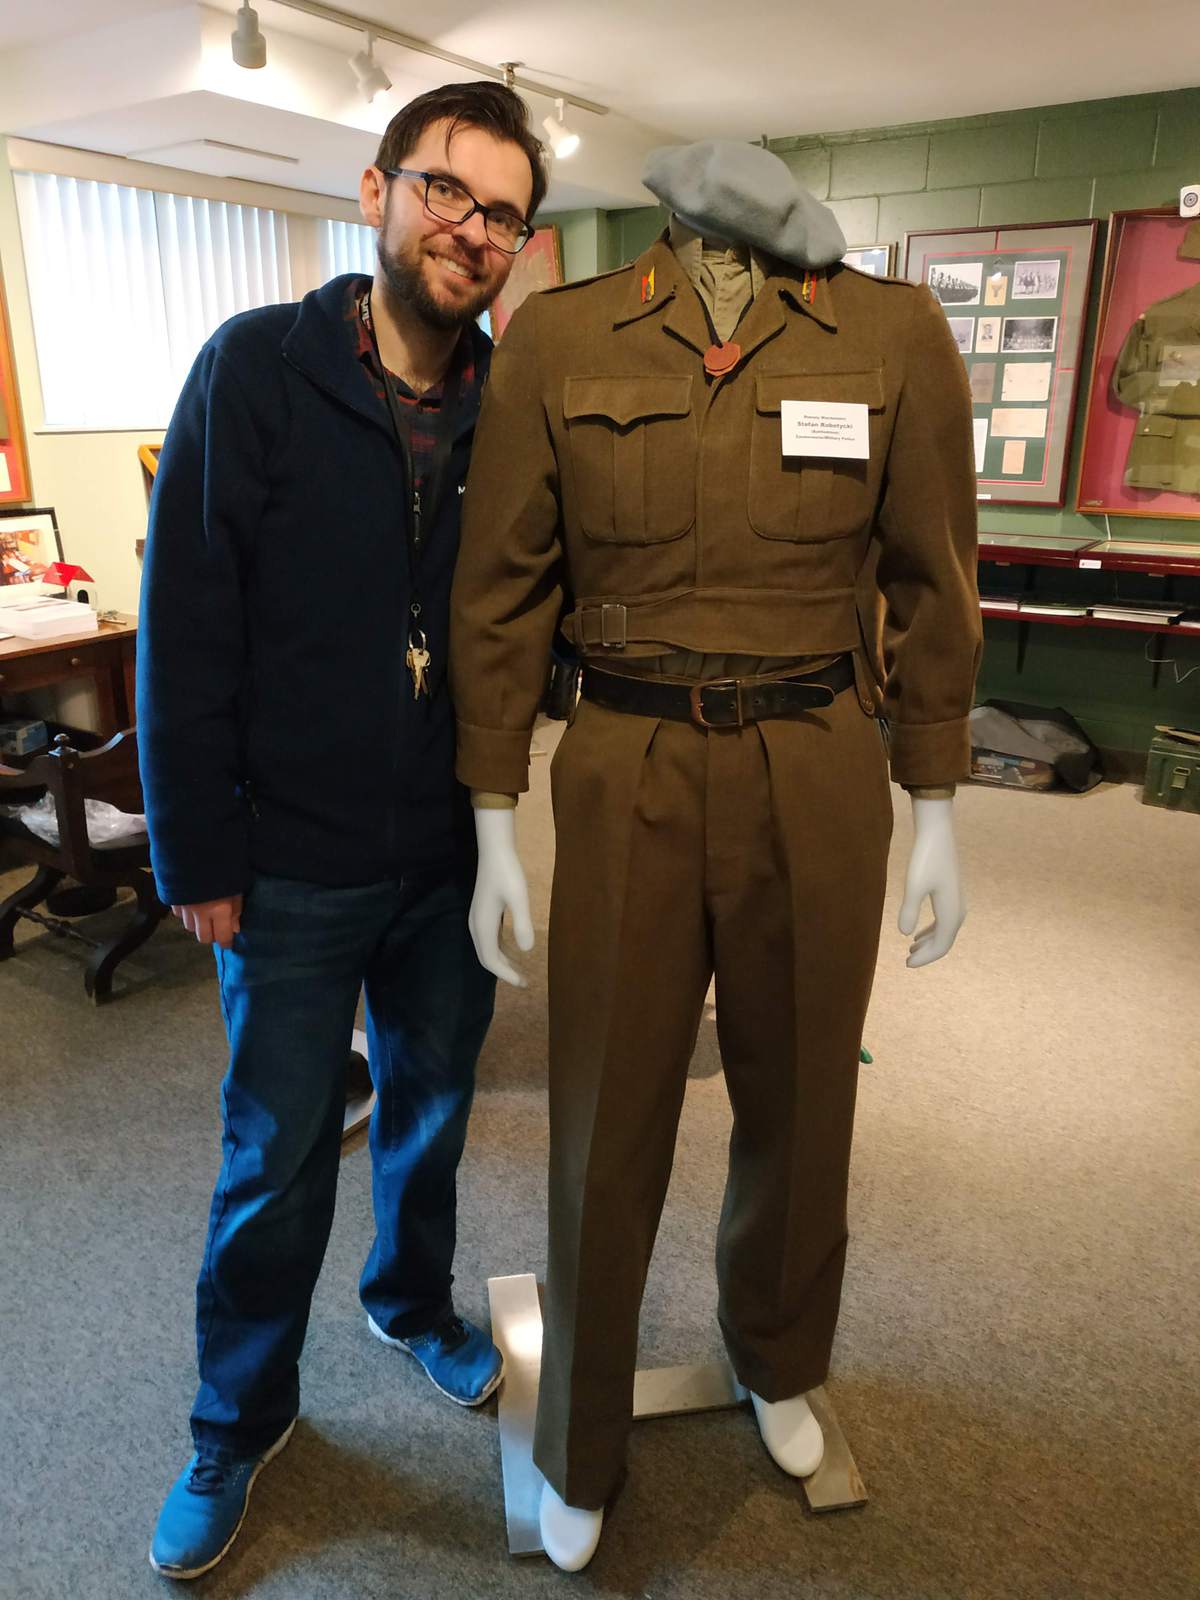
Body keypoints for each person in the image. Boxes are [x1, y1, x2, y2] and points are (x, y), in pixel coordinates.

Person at [450, 140, 979, 1570]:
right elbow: (501, 591)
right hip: (627, 755)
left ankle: (778, 1355)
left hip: (817, 755)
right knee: (603, 1111)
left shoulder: (892, 334)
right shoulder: (561, 338)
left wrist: (936, 797)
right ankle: (580, 1440)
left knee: (805, 1096)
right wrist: (492, 810)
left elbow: (935, 578)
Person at [137, 80, 547, 1581]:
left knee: (433, 1109)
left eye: (504, 215)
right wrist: (197, 852)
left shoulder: (515, 404)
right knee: (278, 1154)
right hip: (291, 863)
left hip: (446, 852)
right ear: (378, 190)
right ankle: (236, 1422)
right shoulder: (256, 367)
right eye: (447, 190)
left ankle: (410, 1304)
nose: (473, 230)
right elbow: (185, 626)